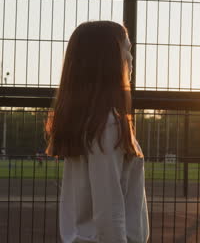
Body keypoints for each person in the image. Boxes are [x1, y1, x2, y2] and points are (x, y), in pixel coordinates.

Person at [46, 21, 149, 243]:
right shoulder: (107, 124)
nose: (131, 59)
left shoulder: (90, 122)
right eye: (126, 50)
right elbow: (108, 211)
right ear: (108, 59)